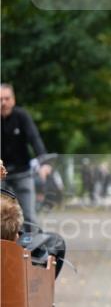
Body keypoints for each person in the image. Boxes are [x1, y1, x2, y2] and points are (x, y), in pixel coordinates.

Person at [1, 83, 52, 229]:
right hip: (0, 175)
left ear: (13, 100)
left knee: (29, 216)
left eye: (6, 98)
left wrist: (44, 162)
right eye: (0, 99)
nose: (3, 102)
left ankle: (34, 249)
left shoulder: (21, 116)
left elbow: (34, 139)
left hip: (22, 173)